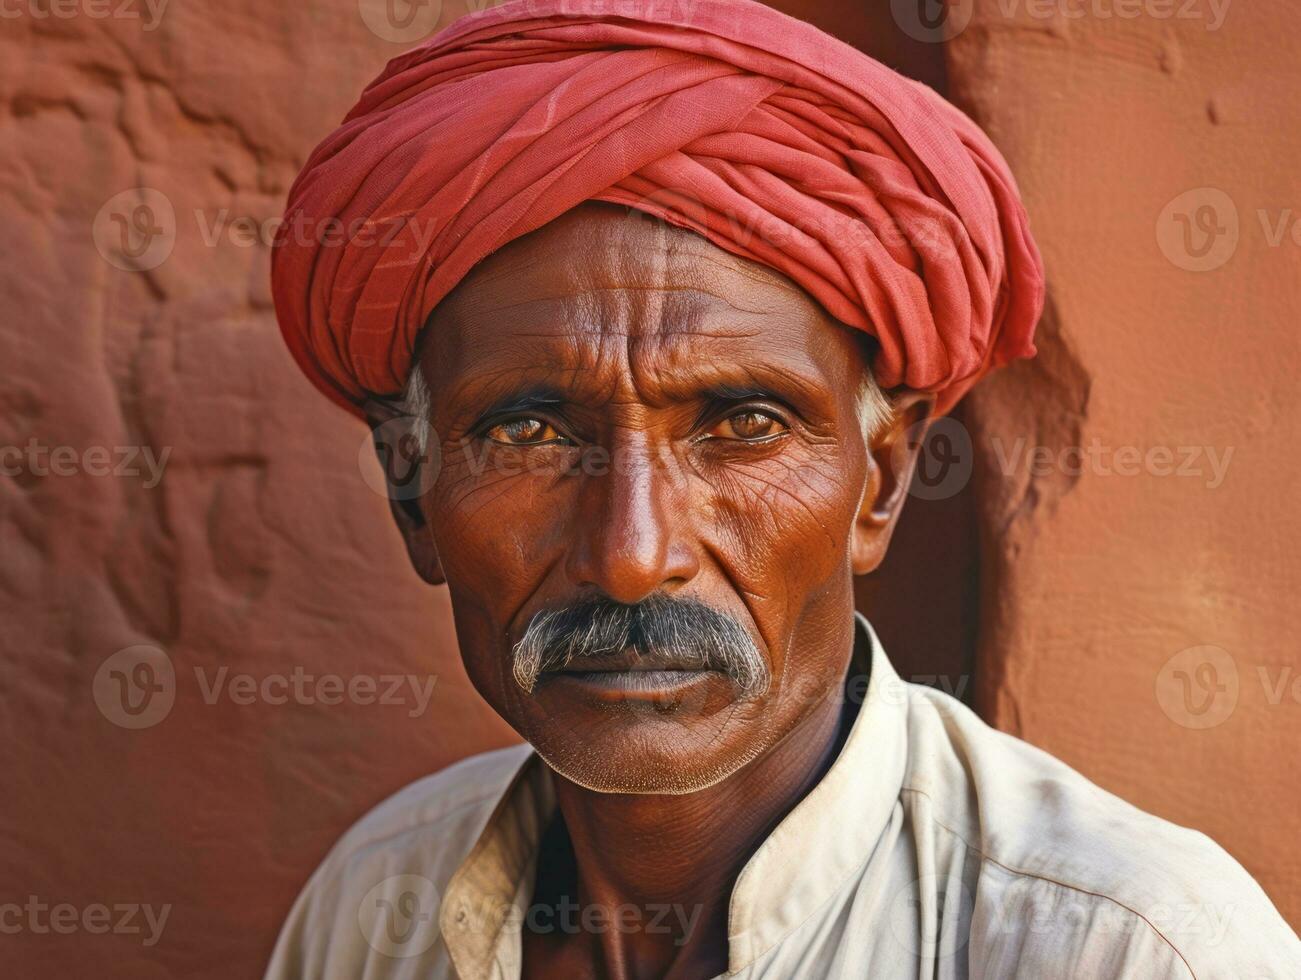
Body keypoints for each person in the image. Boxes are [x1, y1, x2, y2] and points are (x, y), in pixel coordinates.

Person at [264, 0, 1300, 976]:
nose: (630, 557)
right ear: (412, 493)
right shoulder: (373, 907)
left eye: (742, 427)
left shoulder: (1121, 948)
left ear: (880, 482)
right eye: (530, 432)